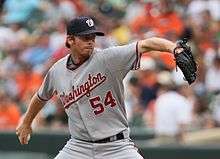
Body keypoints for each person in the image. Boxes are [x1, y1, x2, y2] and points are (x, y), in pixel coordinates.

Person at [16, 16, 181, 159]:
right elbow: (40, 97)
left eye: (92, 37)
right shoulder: (57, 71)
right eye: (85, 37)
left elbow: (146, 44)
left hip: (116, 146)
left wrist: (174, 48)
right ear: (70, 40)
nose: (91, 42)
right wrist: (27, 122)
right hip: (78, 147)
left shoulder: (108, 58)